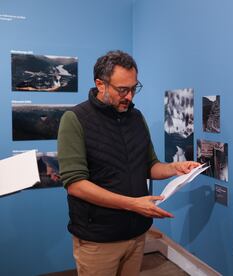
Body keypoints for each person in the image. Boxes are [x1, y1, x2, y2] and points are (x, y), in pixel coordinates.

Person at [57, 50, 199, 276]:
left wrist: (174, 168)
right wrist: (133, 204)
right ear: (100, 84)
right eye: (122, 90)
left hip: (136, 233)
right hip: (98, 240)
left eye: (134, 88)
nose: (130, 96)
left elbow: (150, 165)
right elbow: (75, 184)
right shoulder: (75, 119)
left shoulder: (136, 118)